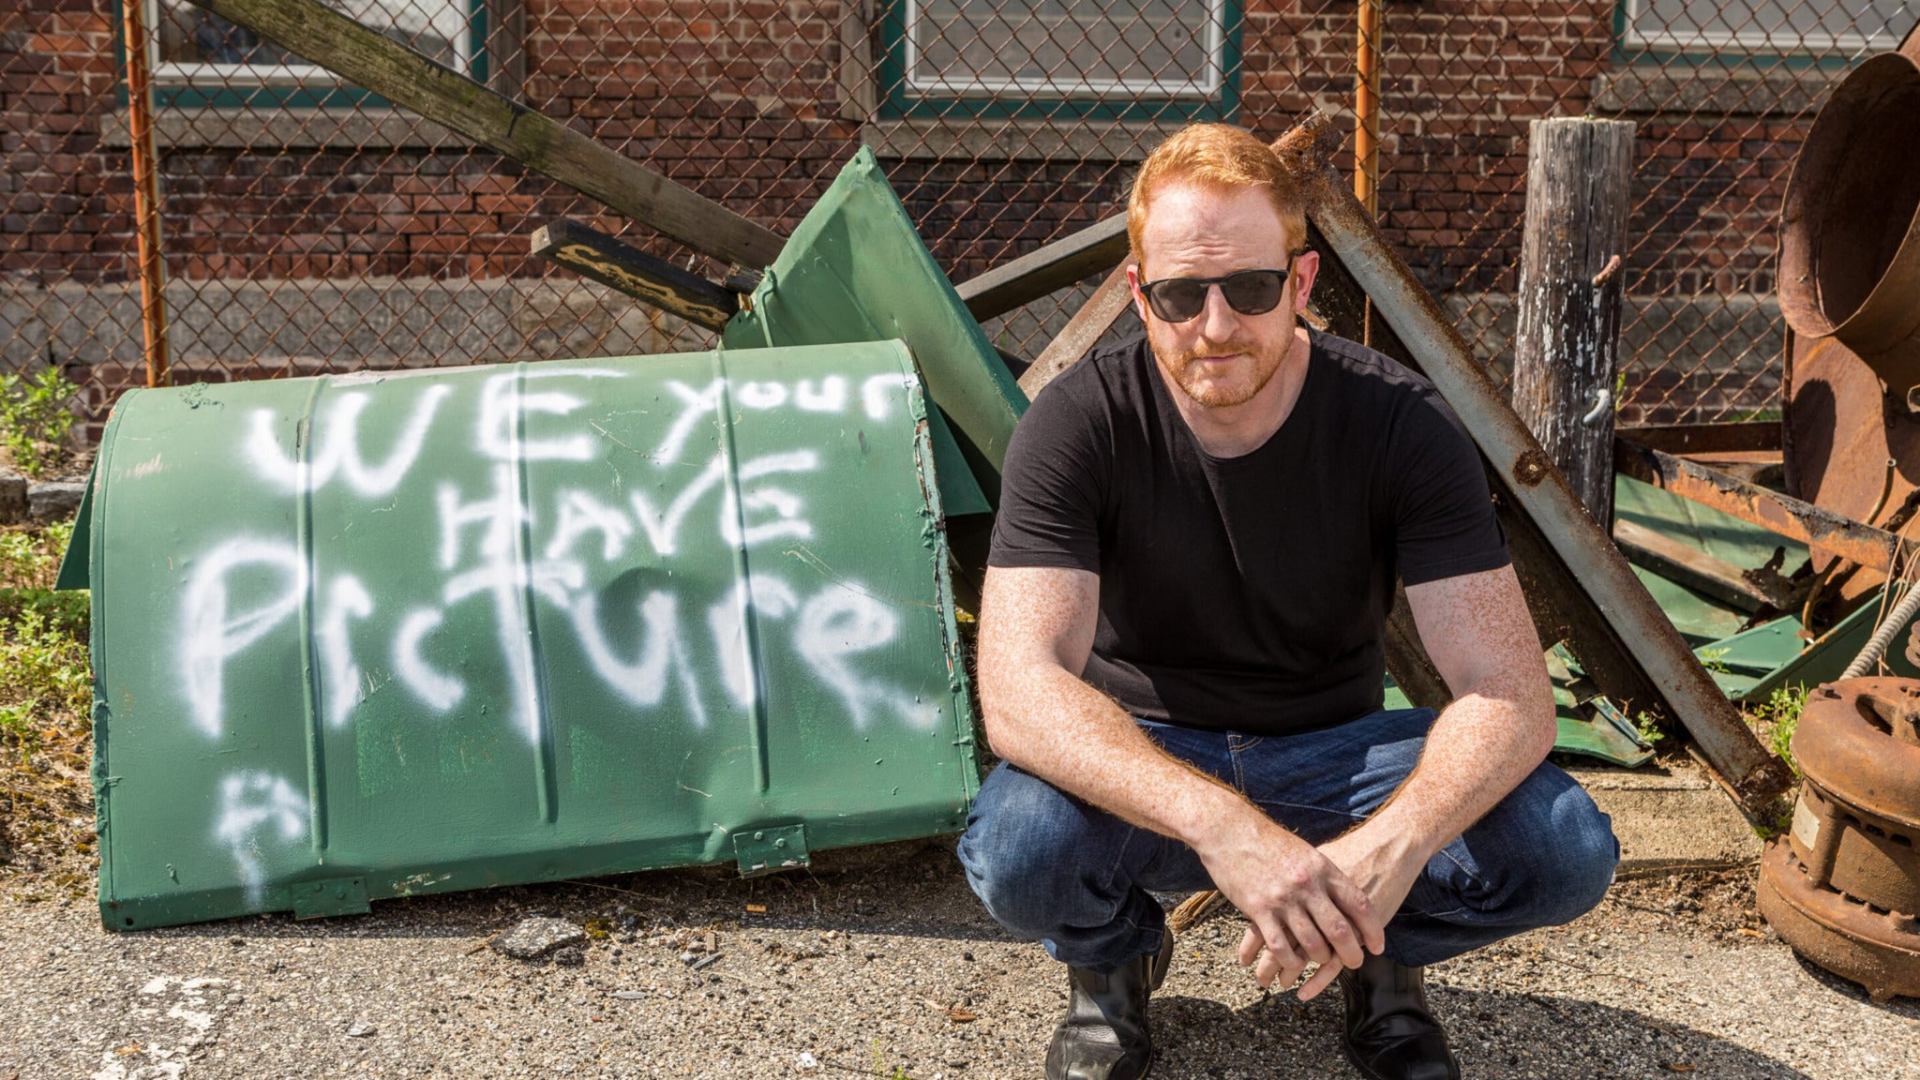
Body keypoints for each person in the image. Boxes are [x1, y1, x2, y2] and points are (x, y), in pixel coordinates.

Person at [955, 123, 1621, 1080]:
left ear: (1302, 284)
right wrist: (1221, 825)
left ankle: (1375, 948)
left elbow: (1510, 691)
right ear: (1139, 293)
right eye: (1182, 293)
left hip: (1338, 756)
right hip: (1150, 746)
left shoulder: (1402, 423)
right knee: (1020, 848)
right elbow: (1019, 689)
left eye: (1252, 289)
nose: (1216, 325)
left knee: (1563, 849)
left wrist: (1391, 848)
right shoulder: (1077, 423)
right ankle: (1113, 960)